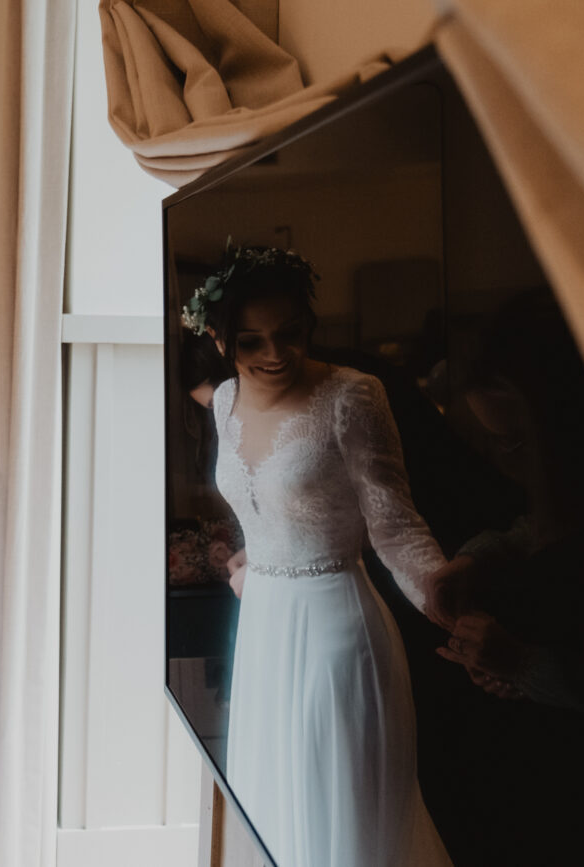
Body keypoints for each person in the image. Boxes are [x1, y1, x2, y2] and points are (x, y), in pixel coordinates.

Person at [182, 243, 451, 866]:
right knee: (270, 807)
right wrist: (257, 559)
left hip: (336, 627)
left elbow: (394, 524)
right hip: (264, 629)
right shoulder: (224, 401)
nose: (274, 354)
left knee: (341, 812)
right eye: (252, 342)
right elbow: (267, 498)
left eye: (289, 333)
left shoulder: (352, 396)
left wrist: (444, 598)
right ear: (223, 341)